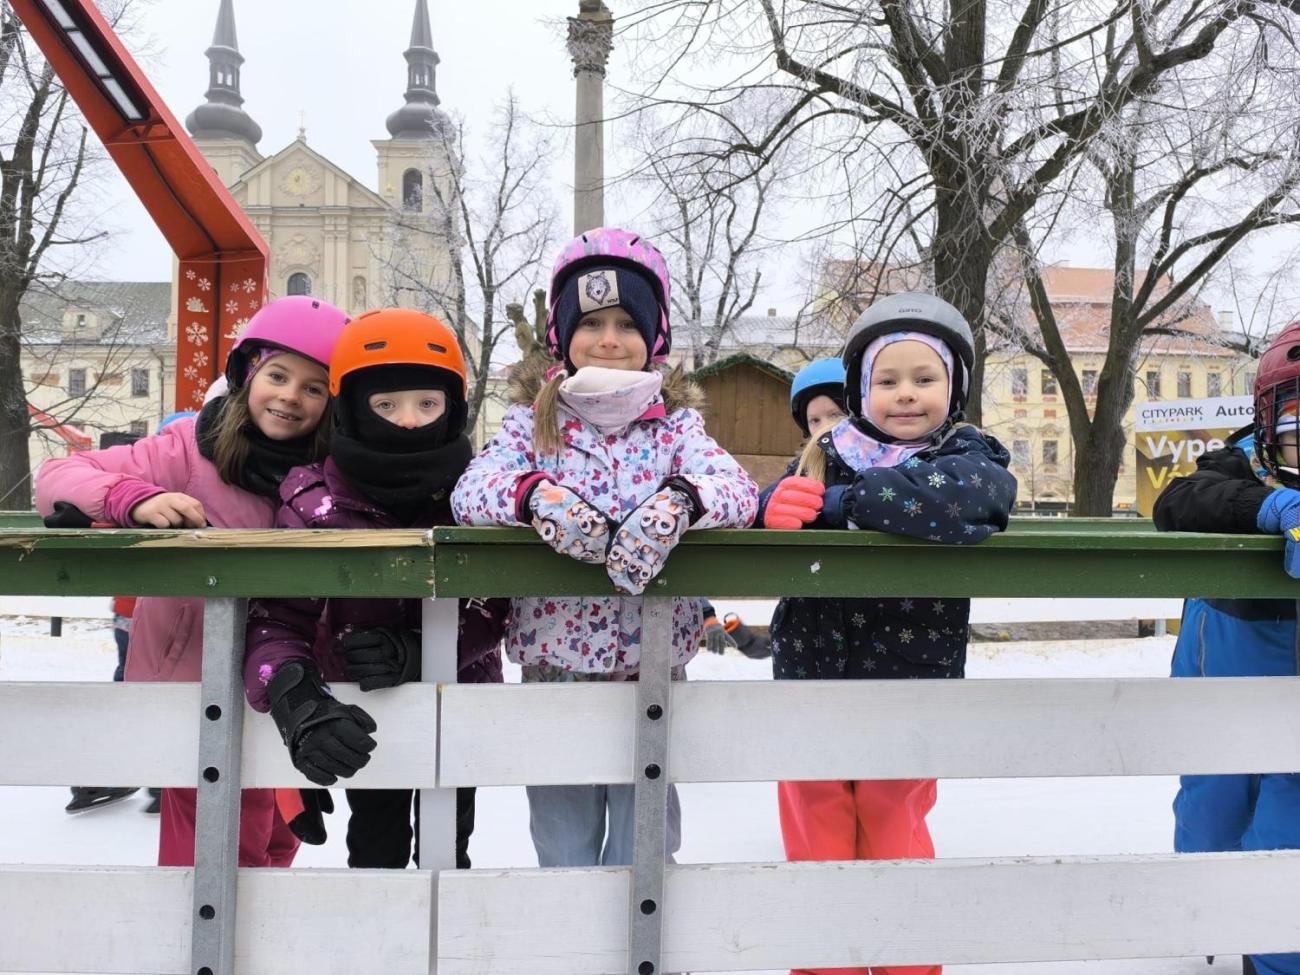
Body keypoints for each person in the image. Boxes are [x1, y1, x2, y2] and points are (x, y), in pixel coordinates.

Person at [451, 227, 759, 867]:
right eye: (591, 322)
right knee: (563, 843)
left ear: (655, 337)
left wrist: (682, 502)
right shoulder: (532, 421)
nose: (609, 339)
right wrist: (534, 499)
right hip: (555, 667)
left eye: (627, 323)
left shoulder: (676, 426)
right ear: (564, 334)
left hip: (652, 667)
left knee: (645, 846)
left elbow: (738, 489)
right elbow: (471, 491)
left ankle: (643, 934)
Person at [35, 295, 350, 867]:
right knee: (213, 852)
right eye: (278, 376)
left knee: (278, 843)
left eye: (313, 387)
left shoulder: (334, 473)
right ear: (247, 373)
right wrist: (130, 497)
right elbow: (58, 476)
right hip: (194, 685)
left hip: (289, 686)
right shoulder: (188, 449)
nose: (290, 396)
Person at [758, 295, 1017, 975]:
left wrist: (843, 505)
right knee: (815, 830)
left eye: (924, 379)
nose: (905, 393)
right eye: (887, 379)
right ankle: (825, 964)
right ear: (860, 391)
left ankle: (907, 963)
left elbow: (965, 500)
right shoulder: (824, 453)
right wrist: (770, 507)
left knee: (892, 822)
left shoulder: (967, 454)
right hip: (810, 674)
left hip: (909, 679)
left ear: (954, 389)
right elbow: (766, 508)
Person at [244, 308, 507, 868]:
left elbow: (496, 603)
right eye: (386, 406)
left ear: (453, 409)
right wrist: (298, 699)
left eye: (427, 405)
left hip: (460, 703)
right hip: (364, 709)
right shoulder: (315, 502)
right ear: (352, 411)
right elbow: (277, 618)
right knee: (374, 844)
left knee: (448, 845)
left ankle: (447, 926)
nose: (408, 422)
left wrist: (421, 651)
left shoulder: (478, 494)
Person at [1153, 320, 1300, 975]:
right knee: (1213, 815)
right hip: (1225, 669)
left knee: (1287, 827)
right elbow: (1178, 503)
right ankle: (1214, 915)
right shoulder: (1239, 463)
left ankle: (1274, 956)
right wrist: (1267, 509)